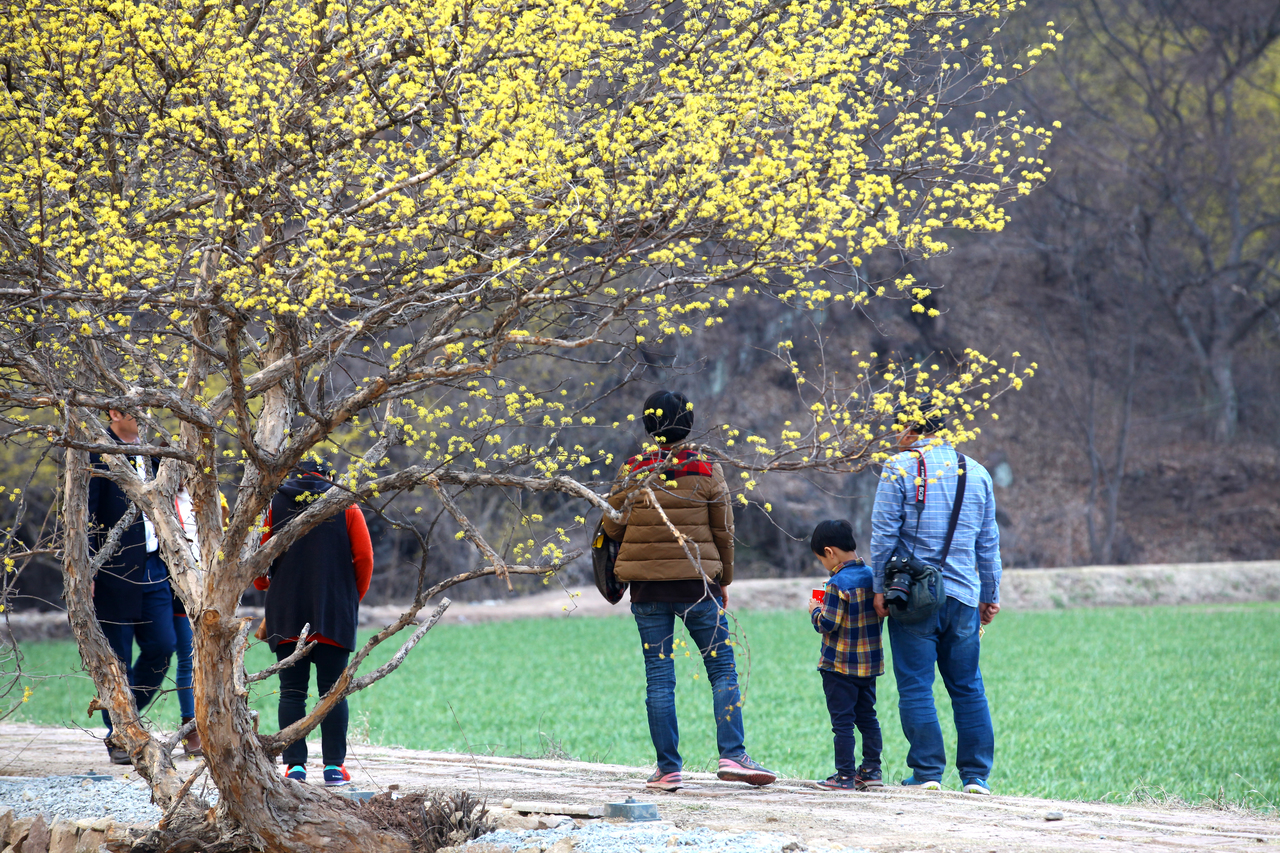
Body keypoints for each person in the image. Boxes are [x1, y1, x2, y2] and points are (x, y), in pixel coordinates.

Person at [602, 389, 776, 792]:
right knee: (721, 669)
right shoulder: (705, 467)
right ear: (690, 423)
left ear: (648, 425)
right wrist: (724, 579)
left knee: (660, 677)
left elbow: (612, 525)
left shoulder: (632, 469)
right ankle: (733, 754)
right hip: (699, 586)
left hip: (646, 590)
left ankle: (668, 769)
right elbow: (724, 530)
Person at [870, 413, 1002, 794]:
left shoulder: (899, 467)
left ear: (911, 428)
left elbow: (884, 534)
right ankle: (976, 777)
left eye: (899, 427)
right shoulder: (977, 472)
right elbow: (988, 543)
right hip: (963, 596)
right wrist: (990, 595)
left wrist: (880, 587)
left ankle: (927, 773)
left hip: (913, 598)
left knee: (915, 685)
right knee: (968, 686)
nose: (897, 436)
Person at [254, 460, 373, 787]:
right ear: (329, 477)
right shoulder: (345, 503)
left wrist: (265, 586)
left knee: (291, 693)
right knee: (332, 692)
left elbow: (259, 557)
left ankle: (295, 768)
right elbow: (364, 558)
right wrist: (351, 597)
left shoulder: (272, 503)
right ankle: (334, 768)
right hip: (333, 610)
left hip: (286, 611)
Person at [88, 409, 177, 765]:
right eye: (134, 410)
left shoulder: (152, 451)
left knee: (162, 646)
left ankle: (127, 723)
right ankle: (121, 734)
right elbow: (86, 514)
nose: (144, 416)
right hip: (113, 570)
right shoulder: (97, 451)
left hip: (155, 566)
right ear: (113, 412)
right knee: (117, 658)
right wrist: (88, 570)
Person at [807, 519, 884, 791]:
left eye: (821, 559)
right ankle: (872, 771)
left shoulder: (836, 583)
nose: (823, 565)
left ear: (830, 552)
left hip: (839, 667)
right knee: (868, 717)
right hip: (869, 666)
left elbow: (828, 624)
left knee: (842, 723)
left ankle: (844, 776)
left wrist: (815, 610)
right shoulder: (874, 577)